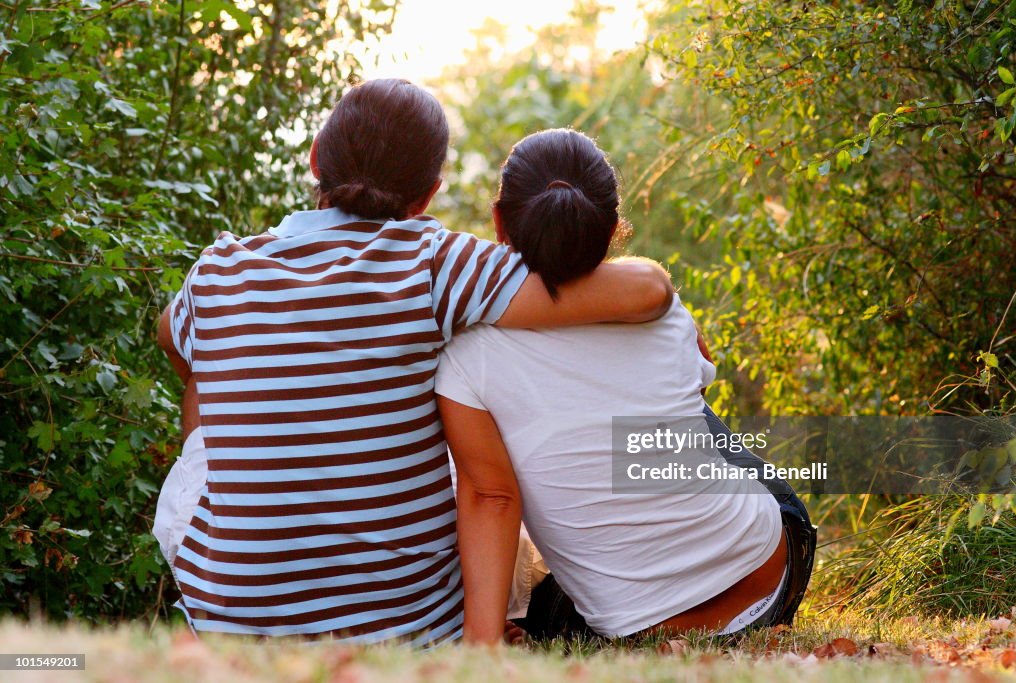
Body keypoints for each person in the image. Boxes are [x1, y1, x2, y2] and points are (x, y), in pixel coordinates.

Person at [153, 80, 675, 645]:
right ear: (428, 195)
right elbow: (645, 289)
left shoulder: (218, 270)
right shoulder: (436, 264)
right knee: (468, 428)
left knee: (203, 386)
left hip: (232, 627)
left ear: (314, 159)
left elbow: (171, 338)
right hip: (408, 633)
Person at [435, 128, 816, 645]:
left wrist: (480, 648)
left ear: (499, 221)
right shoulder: (660, 308)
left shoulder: (464, 355)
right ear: (614, 228)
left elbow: (492, 498)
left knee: (516, 460)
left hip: (637, 631)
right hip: (771, 579)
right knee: (680, 412)